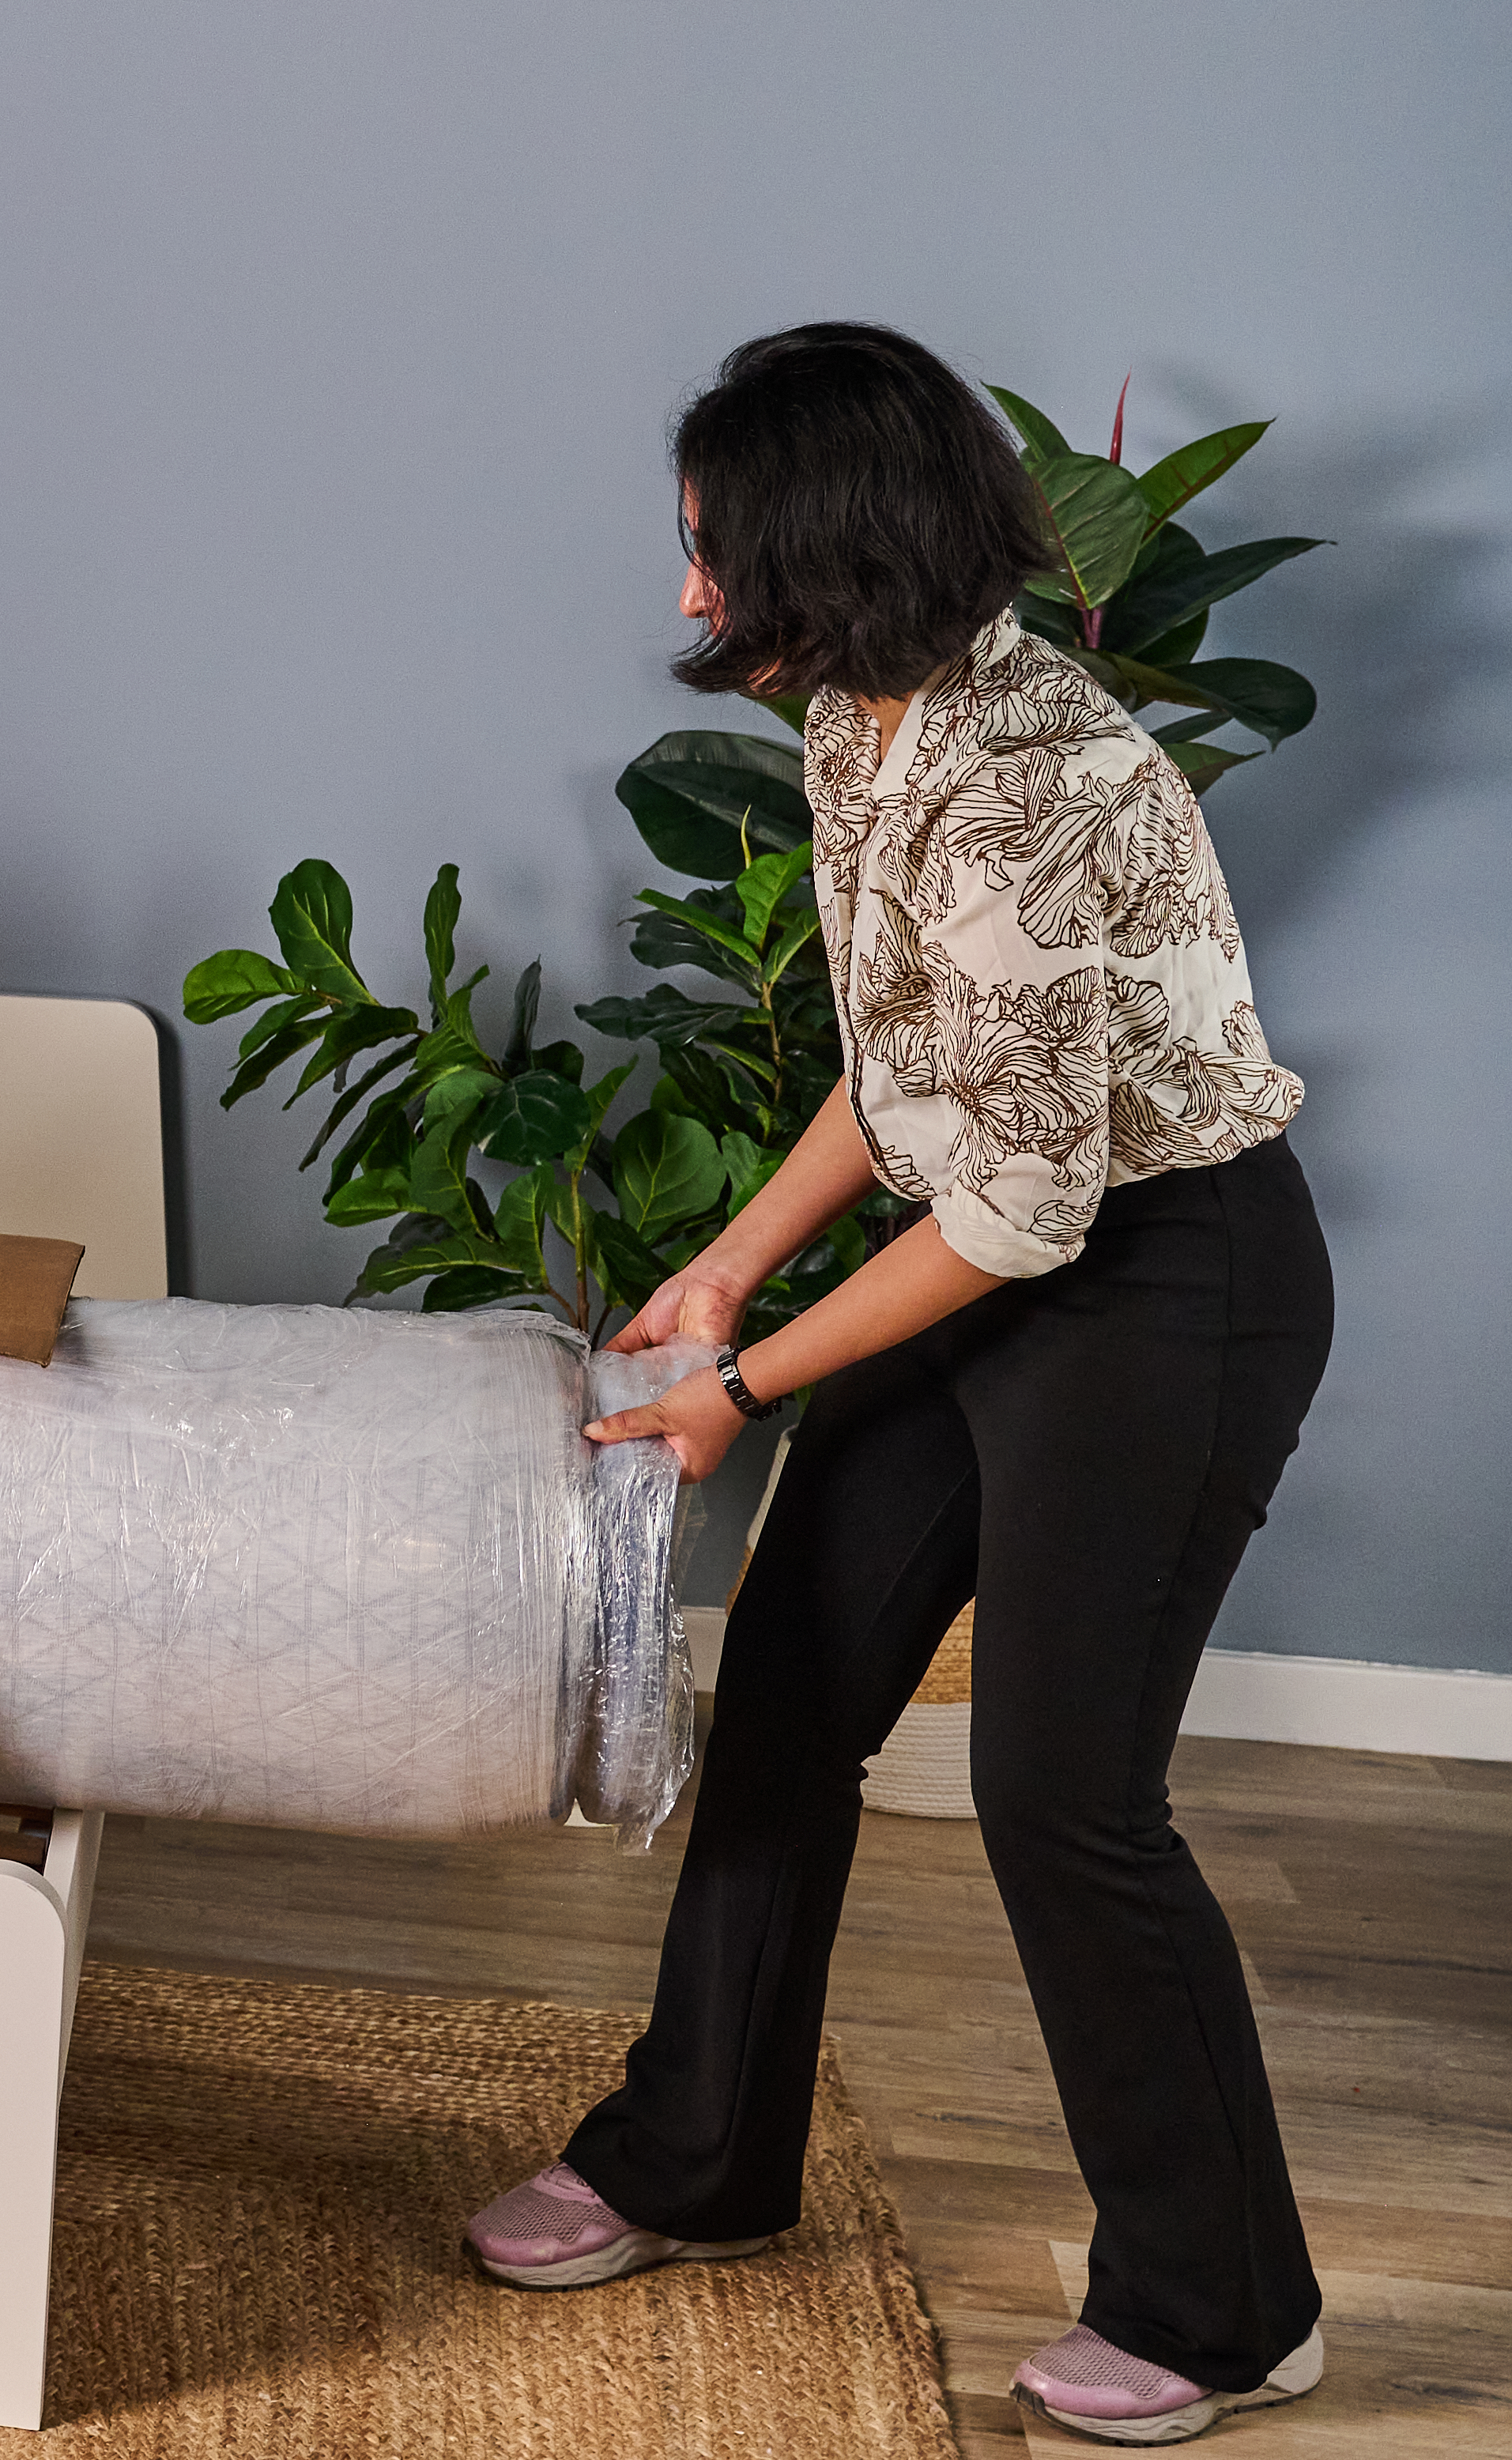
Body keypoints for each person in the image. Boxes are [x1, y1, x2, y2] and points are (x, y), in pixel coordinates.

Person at [461, 325, 1333, 2447]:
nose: (683, 594)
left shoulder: (1029, 784)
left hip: (1157, 1290)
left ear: (824, 549)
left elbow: (1029, 1215)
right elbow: (902, 1069)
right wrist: (730, 1257)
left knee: (1059, 1799)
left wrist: (735, 1384)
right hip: (987, 1250)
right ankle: (694, 2159)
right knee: (783, 1701)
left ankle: (1225, 2308)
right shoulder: (863, 717)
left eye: (708, 551)